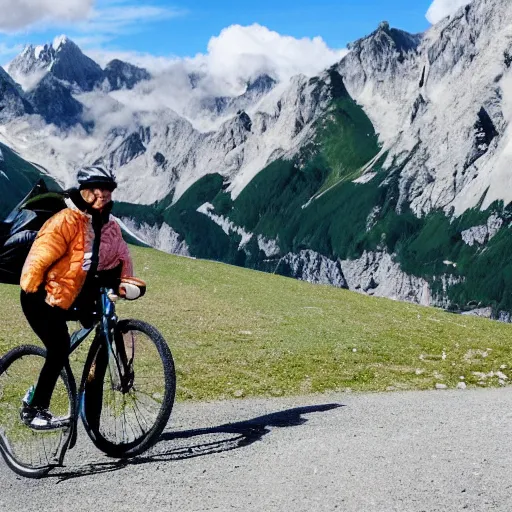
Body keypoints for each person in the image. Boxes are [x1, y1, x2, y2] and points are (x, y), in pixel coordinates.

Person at [19, 166, 140, 430]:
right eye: (97, 190)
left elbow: (122, 257)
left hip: (74, 297)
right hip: (41, 295)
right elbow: (40, 256)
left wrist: (126, 283)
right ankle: (34, 409)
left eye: (107, 190)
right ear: (83, 191)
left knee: (104, 328)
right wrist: (35, 290)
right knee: (60, 347)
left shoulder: (110, 228)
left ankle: (91, 414)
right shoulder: (65, 220)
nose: (102, 195)